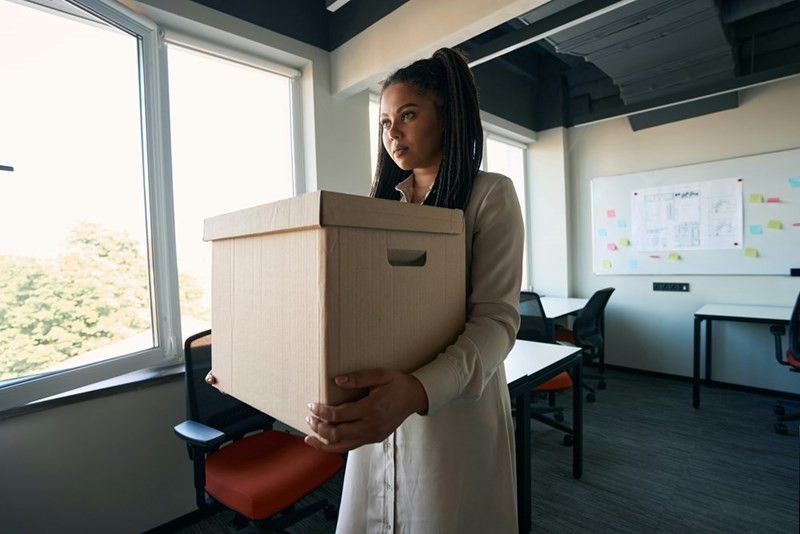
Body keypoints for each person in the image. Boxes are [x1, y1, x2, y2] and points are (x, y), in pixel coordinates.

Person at [304, 48, 525, 533]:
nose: (392, 133)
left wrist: (419, 390)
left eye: (407, 115)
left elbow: (497, 322)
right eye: (385, 122)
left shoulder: (490, 195)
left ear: (446, 117)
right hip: (379, 400)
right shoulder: (380, 207)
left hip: (453, 409)